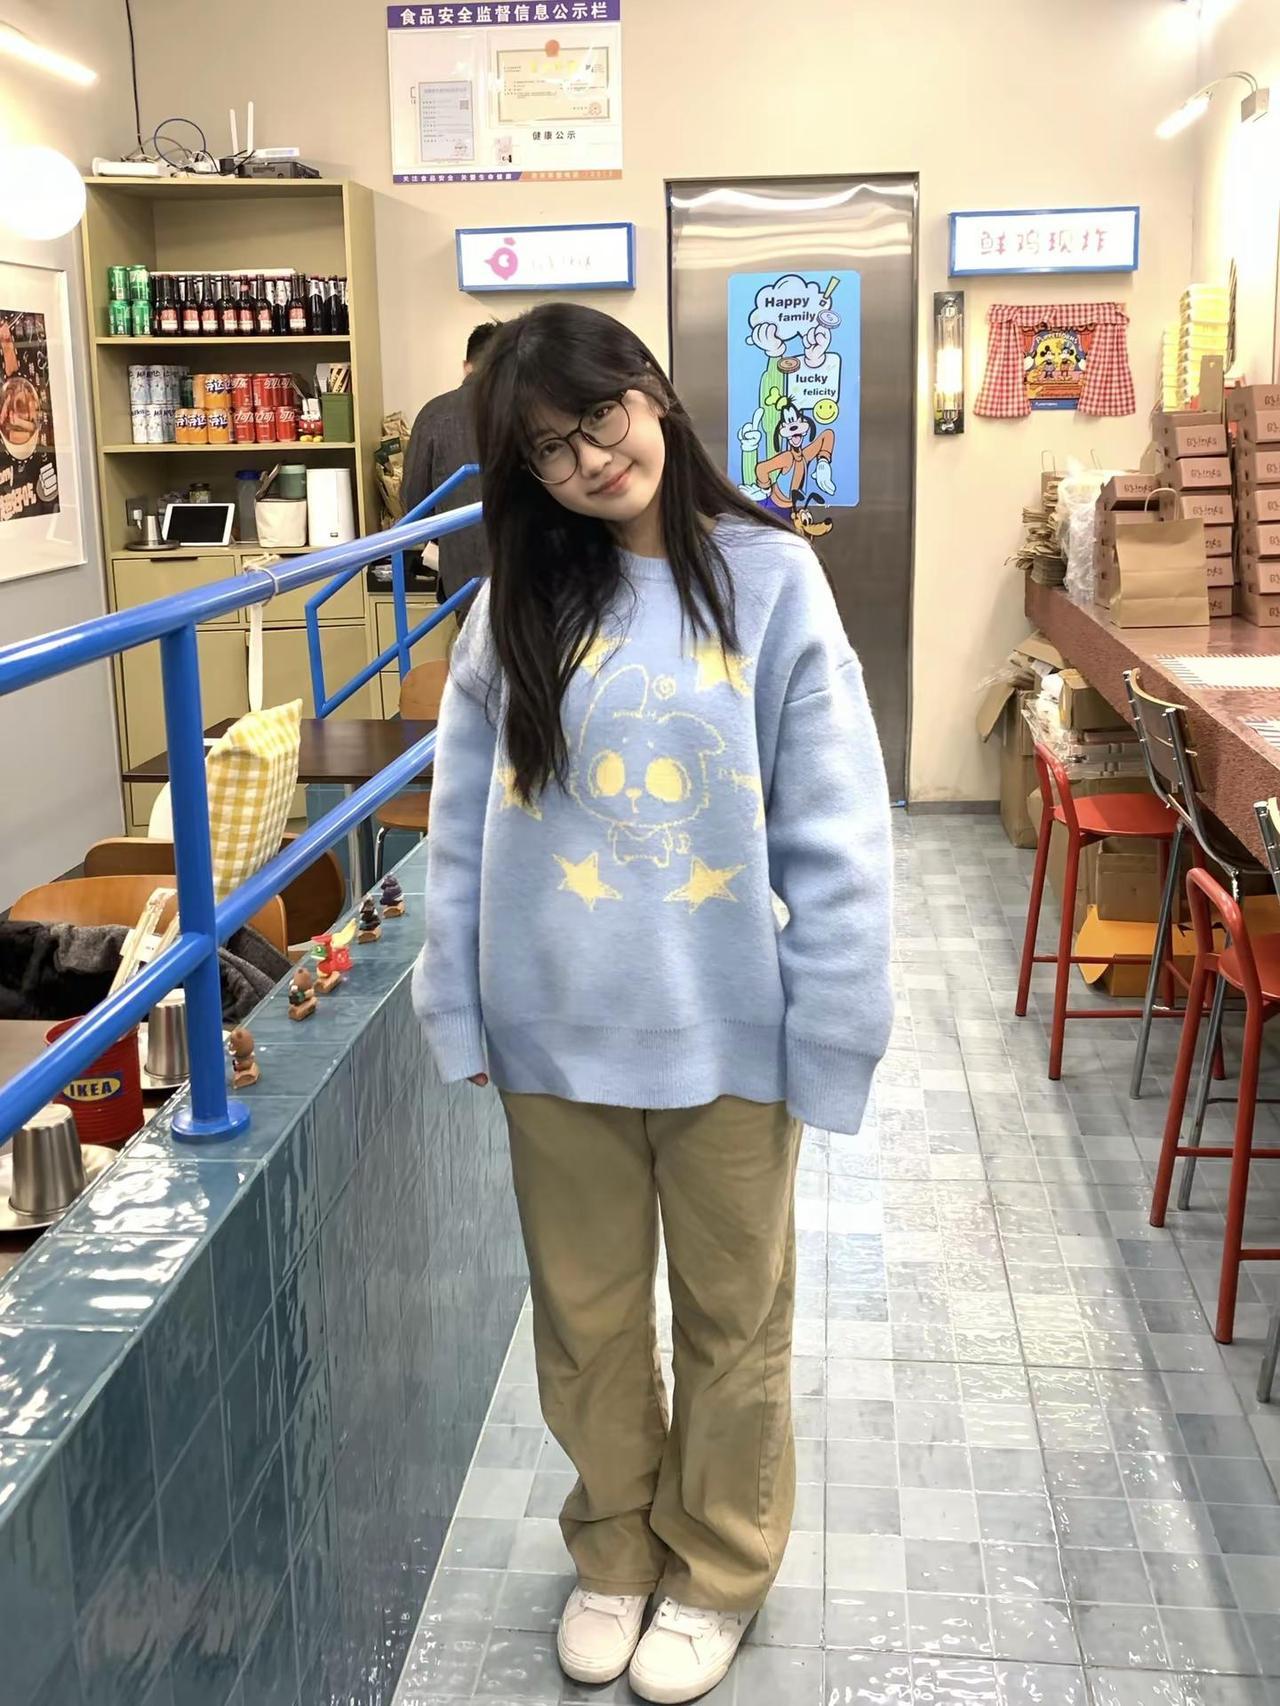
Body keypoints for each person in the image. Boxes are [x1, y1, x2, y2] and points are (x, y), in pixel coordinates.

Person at [412, 303, 892, 1704]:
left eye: (599, 416)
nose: (588, 459)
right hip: (552, 1036)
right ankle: (616, 1547)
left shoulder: (771, 580)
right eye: (548, 449)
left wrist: (835, 1025)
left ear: (653, 392)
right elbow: (459, 825)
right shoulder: (516, 601)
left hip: (728, 1033)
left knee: (733, 1320)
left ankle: (720, 1564)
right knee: (587, 1321)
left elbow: (837, 831)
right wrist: (457, 1001)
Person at [401, 320, 497, 611]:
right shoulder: (534, 409)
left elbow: (414, 503)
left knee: (473, 639)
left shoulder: (434, 413)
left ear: (467, 366)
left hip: (463, 577)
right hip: (531, 579)